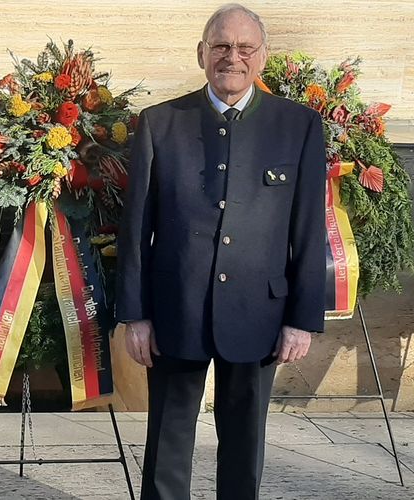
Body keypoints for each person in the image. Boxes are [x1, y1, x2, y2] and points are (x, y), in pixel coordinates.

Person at [116, 3, 326, 499]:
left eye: (244, 48)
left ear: (262, 57)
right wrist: (136, 315)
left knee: (244, 441)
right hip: (176, 311)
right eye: (221, 47)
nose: (232, 57)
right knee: (167, 439)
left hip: (261, 311)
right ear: (201, 54)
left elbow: (309, 228)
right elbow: (135, 229)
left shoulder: (297, 125)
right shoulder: (159, 122)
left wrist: (301, 318)